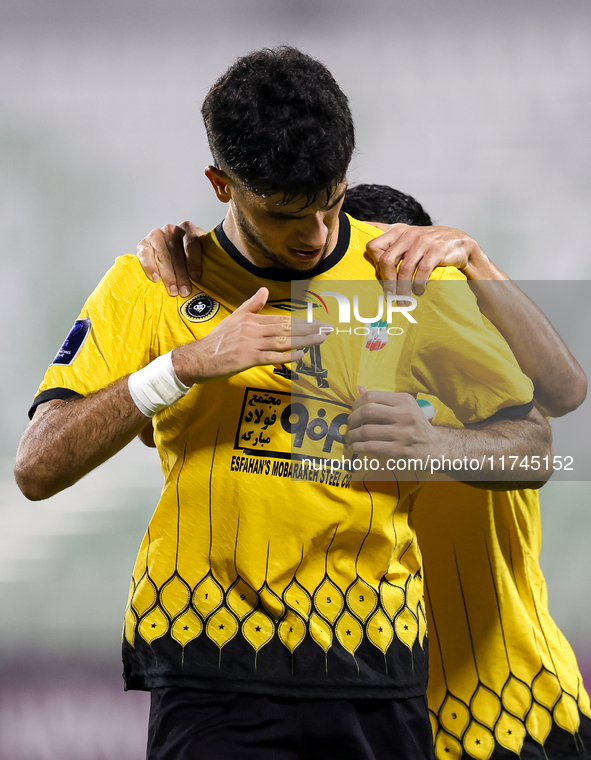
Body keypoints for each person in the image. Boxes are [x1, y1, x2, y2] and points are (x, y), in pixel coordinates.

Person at [15, 48, 552, 760]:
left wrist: (434, 446)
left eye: (332, 202)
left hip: (378, 668)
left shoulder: (400, 272)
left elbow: (537, 443)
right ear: (220, 185)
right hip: (209, 666)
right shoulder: (154, 287)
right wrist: (181, 367)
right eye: (283, 214)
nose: (316, 235)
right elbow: (37, 467)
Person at [138, 182, 590, 760]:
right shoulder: (300, 361)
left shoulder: (471, 353)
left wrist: (475, 261)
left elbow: (566, 395)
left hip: (513, 711)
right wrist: (180, 259)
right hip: (370, 714)